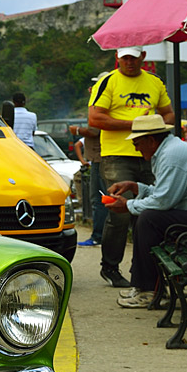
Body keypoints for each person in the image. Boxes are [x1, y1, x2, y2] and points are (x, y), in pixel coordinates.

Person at [103, 114, 187, 308]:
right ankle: (143, 285)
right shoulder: (168, 150)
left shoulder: (172, 155)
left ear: (151, 140)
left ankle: (148, 289)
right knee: (147, 217)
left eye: (137, 142)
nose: (135, 147)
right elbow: (165, 193)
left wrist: (127, 205)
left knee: (149, 218)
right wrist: (136, 187)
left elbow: (163, 201)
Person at [87, 46, 174, 288]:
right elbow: (95, 119)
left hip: (149, 154)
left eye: (134, 58)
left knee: (148, 212)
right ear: (117, 58)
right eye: (124, 58)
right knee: (120, 209)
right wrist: (136, 125)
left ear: (143, 57)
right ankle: (111, 267)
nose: (129, 62)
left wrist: (154, 128)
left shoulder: (155, 82)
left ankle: (144, 269)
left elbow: (169, 114)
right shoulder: (108, 82)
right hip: (117, 155)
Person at [70, 73, 109, 246]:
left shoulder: (102, 103)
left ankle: (98, 236)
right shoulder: (101, 102)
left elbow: (95, 131)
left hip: (100, 158)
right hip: (98, 157)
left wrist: (78, 130)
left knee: (99, 199)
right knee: (103, 198)